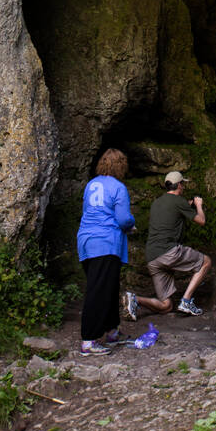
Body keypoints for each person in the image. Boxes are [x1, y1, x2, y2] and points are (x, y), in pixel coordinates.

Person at [124, 171, 211, 318]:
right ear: (179, 185)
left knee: (166, 306)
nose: (183, 187)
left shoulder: (157, 203)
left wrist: (187, 205)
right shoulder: (179, 201)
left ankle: (134, 299)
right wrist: (198, 205)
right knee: (206, 262)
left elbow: (171, 213)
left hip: (152, 257)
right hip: (168, 252)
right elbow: (201, 221)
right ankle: (186, 301)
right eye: (183, 184)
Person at [76, 147, 135, 353]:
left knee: (107, 288)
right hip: (105, 243)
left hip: (86, 241)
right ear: (121, 166)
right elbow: (123, 218)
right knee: (98, 291)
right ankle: (89, 339)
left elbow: (88, 212)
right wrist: (131, 224)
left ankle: (112, 332)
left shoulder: (90, 185)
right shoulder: (118, 187)